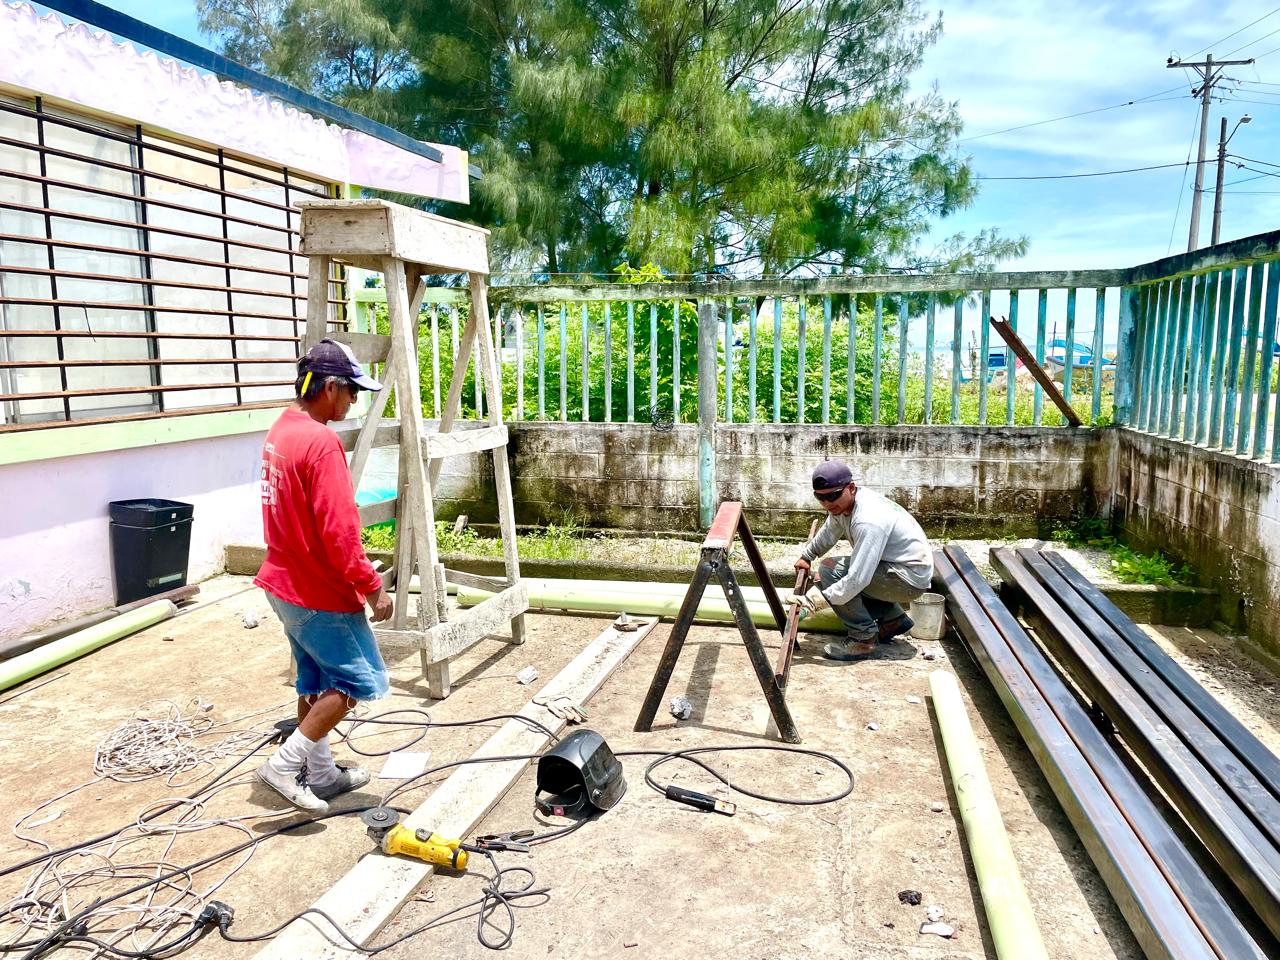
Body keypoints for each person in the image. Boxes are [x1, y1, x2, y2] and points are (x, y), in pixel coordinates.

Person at [254, 338, 394, 812]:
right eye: (351, 391)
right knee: (358, 682)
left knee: (314, 680)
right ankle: (283, 765)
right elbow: (340, 532)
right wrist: (372, 587)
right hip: (317, 589)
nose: (353, 401)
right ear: (330, 387)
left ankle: (321, 773)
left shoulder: (282, 429)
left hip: (284, 583)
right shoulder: (321, 442)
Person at [791, 459, 932, 661]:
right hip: (898, 570)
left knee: (831, 572)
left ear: (851, 487)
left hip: (908, 580)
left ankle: (863, 640)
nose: (827, 503)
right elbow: (830, 530)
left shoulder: (868, 520)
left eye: (832, 496)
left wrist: (814, 601)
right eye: (820, 497)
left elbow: (858, 579)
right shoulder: (845, 504)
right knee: (835, 572)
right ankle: (892, 620)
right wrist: (807, 556)